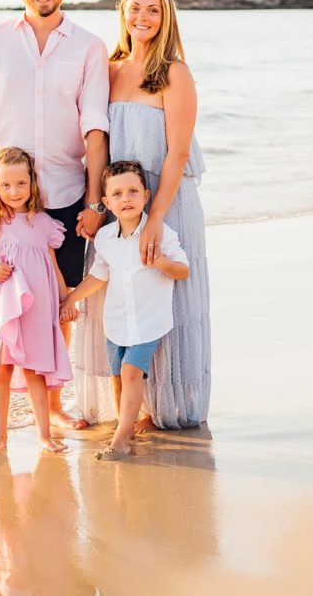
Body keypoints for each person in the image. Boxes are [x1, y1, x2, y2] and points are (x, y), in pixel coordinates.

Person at [0, 0, 110, 432]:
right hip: (5, 199)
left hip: (63, 196)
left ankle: (55, 409)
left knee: (57, 308)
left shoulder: (89, 46)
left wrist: (94, 201)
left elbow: (95, 129)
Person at [73, 0, 210, 430]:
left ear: (166, 17)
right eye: (135, 8)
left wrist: (155, 221)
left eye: (153, 10)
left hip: (165, 197)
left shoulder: (175, 72)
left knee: (166, 294)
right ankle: (127, 407)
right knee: (114, 292)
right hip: (119, 199)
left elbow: (178, 153)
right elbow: (96, 140)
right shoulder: (108, 68)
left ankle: (165, 406)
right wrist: (95, 205)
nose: (143, 18)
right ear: (123, 13)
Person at [60, 160, 189, 459]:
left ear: (146, 195)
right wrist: (70, 299)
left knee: (132, 372)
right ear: (106, 202)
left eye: (132, 191)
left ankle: (120, 440)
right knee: (118, 377)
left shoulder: (160, 232)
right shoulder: (105, 238)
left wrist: (162, 263)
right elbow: (98, 275)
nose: (125, 198)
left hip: (148, 320)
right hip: (116, 320)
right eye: (117, 194)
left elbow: (183, 270)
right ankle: (125, 425)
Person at [0, 146, 72, 453]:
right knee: (1, 370)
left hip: (38, 308)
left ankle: (44, 435)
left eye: (21, 184)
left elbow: (52, 265)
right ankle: (0, 436)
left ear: (32, 183)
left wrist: (66, 299)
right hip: (2, 306)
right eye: (6, 185)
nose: (14, 191)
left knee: (35, 371)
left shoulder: (43, 223)